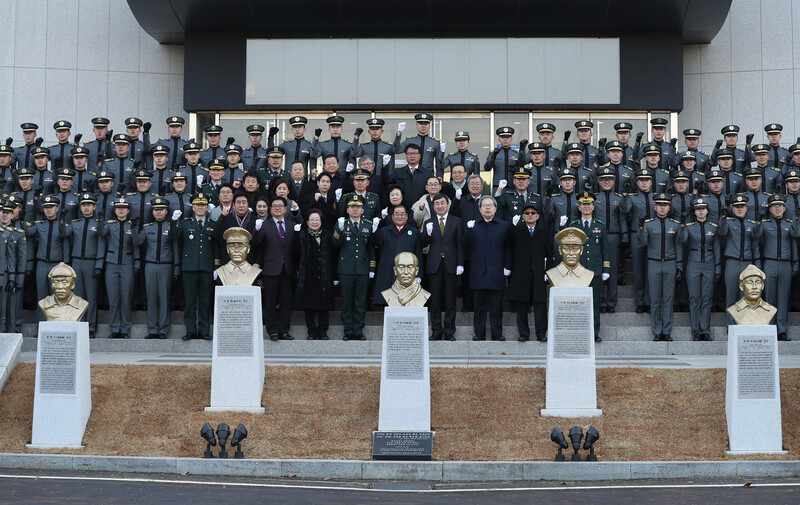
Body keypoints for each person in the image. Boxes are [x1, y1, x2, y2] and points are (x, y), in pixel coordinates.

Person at [463, 195, 512, 341]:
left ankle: (497, 334)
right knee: (479, 306)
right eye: (484, 205)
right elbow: (465, 244)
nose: (488, 208)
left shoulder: (504, 226)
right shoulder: (473, 225)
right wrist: (468, 230)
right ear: (479, 209)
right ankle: (479, 334)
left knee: (497, 306)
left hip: (496, 270)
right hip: (478, 271)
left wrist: (507, 266)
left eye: (491, 205)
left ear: (496, 208)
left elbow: (508, 247)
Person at [253, 196, 298, 341]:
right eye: (274, 206)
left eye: (280, 206)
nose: (277, 208)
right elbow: (257, 242)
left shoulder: (292, 225)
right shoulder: (264, 225)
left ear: (285, 209)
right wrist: (257, 230)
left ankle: (284, 330)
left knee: (286, 301)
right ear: (270, 209)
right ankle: (272, 330)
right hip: (271, 268)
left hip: (288, 268)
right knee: (270, 301)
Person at [638, 193, 682, 342]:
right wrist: (640, 227)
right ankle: (657, 331)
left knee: (668, 299)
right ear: (655, 207)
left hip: (670, 263)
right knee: (655, 299)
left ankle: (667, 331)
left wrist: (679, 266)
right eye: (659, 205)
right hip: (654, 262)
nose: (662, 208)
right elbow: (642, 243)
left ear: (669, 208)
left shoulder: (675, 224)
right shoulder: (649, 224)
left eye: (665, 205)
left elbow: (679, 245)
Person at [134, 197, 179, 339]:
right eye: (156, 210)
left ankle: (163, 329)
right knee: (151, 298)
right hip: (150, 265)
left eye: (161, 210)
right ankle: (152, 329)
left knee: (164, 298)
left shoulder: (171, 226)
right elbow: (137, 242)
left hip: (166, 265)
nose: (158, 213)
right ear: (152, 212)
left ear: (166, 211)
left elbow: (176, 249)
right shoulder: (148, 227)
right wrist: (134, 228)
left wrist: (176, 268)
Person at [332, 195, 375, 340]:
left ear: (363, 210)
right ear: (347, 210)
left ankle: (358, 330)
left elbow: (371, 249)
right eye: (352, 207)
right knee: (347, 301)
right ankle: (348, 330)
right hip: (346, 269)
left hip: (363, 269)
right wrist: (339, 229)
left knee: (361, 301)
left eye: (358, 207)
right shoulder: (342, 223)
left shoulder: (368, 225)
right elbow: (335, 244)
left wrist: (372, 268)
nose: (355, 209)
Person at [506, 201, 551, 342]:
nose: (530, 215)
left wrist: (547, 272)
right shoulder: (517, 231)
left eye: (533, 213)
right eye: (527, 213)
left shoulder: (544, 232)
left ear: (538, 216)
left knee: (540, 304)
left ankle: (541, 333)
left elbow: (550, 253)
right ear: (522, 216)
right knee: (522, 305)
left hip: (538, 273)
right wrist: (512, 226)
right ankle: (523, 333)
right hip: (521, 274)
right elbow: (507, 243)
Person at [568, 192, 610, 342]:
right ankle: (577, 332)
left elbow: (605, 249)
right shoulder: (573, 226)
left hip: (595, 271)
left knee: (594, 302)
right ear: (579, 207)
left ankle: (594, 332)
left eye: (589, 204)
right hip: (578, 271)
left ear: (593, 207)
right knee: (577, 302)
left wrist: (606, 269)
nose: (586, 207)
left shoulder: (600, 226)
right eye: (583, 204)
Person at [677, 198, 721, 341]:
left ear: (707, 211)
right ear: (694, 211)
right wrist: (682, 225)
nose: (701, 211)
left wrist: (718, 268)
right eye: (698, 209)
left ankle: (705, 330)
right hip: (693, 263)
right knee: (694, 298)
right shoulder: (689, 226)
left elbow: (717, 248)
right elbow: (682, 240)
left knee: (707, 299)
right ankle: (695, 330)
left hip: (709, 263)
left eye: (703, 208)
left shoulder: (713, 226)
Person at [421, 194, 462, 341]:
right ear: (433, 206)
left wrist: (460, 263)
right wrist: (427, 234)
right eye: (436, 204)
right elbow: (422, 244)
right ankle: (436, 330)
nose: (440, 206)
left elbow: (460, 245)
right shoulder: (429, 222)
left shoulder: (457, 221)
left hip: (451, 265)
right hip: (434, 265)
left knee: (451, 300)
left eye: (442, 203)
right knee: (435, 300)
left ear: (448, 204)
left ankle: (450, 331)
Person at [758, 194, 799, 341]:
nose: (777, 208)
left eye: (780, 206)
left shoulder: (789, 224)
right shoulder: (765, 224)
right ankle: (770, 328)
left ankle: (782, 330)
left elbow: (794, 242)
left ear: (784, 208)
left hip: (786, 264)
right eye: (774, 206)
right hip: (770, 263)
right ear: (770, 209)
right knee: (769, 298)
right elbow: (757, 239)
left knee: (783, 297)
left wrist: (795, 263)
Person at [63, 192, 104, 337]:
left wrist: (99, 264)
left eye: (89, 205)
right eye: (84, 205)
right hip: (76, 262)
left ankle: (91, 327)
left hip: (91, 262)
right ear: (80, 208)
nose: (86, 208)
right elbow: (65, 235)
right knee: (77, 297)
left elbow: (101, 243)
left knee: (91, 296)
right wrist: (62, 221)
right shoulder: (75, 223)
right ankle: (79, 324)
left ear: (94, 207)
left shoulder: (98, 223)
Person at [176, 192, 215, 341]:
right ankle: (190, 330)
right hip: (189, 267)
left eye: (203, 205)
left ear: (207, 207)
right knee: (190, 301)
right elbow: (174, 237)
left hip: (206, 267)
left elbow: (216, 246)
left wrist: (216, 265)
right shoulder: (186, 223)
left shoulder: (212, 224)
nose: (200, 207)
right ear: (193, 207)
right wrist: (174, 222)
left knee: (205, 301)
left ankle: (204, 330)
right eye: (198, 205)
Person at [98, 197, 139, 339]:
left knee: (126, 298)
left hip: (127, 263)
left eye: (124, 208)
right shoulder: (110, 224)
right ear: (115, 210)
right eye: (118, 208)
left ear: (128, 210)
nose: (121, 210)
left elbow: (136, 246)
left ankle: (125, 328)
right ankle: (115, 328)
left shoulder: (132, 224)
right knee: (113, 298)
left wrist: (137, 263)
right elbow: (101, 233)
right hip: (111, 263)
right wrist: (101, 221)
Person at [718, 195, 762, 325]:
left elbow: (756, 240)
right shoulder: (729, 222)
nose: (739, 209)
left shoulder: (751, 223)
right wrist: (723, 218)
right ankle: (730, 325)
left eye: (742, 206)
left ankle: (744, 324)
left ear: (746, 208)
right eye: (736, 207)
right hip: (732, 262)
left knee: (746, 296)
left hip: (747, 263)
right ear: (732, 208)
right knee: (731, 296)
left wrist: (759, 223)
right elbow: (722, 232)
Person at [295, 208, 335, 340]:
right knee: (309, 304)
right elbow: (295, 253)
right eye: (311, 219)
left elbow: (332, 255)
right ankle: (311, 331)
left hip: (324, 273)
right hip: (308, 274)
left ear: (321, 221)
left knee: (324, 304)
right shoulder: (302, 235)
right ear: (307, 222)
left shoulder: (327, 235)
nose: (314, 222)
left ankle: (323, 331)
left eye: (317, 219)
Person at [372, 202, 422, 305]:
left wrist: (419, 275)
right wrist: (374, 230)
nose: (400, 216)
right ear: (392, 216)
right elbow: (375, 243)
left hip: (407, 273)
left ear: (407, 216)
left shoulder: (414, 232)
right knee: (388, 301)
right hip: (387, 271)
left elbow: (418, 254)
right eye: (397, 214)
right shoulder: (384, 231)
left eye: (402, 214)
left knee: (406, 302)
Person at [594, 167, 627, 313]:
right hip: (598, 236)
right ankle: (601, 301)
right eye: (603, 179)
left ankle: (612, 301)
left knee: (612, 269)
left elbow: (623, 218)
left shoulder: (619, 198)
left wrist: (624, 235)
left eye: (609, 179)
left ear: (613, 181)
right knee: (599, 268)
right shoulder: (594, 197)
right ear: (599, 181)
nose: (606, 182)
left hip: (614, 235)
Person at [625, 168, 655, 313]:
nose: (644, 183)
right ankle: (640, 301)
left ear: (651, 182)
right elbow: (625, 210)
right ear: (637, 183)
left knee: (650, 270)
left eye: (647, 180)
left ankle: (649, 300)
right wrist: (625, 197)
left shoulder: (657, 197)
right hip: (636, 235)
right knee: (638, 270)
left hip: (654, 236)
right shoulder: (632, 197)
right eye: (642, 181)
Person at [352, 118, 394, 183]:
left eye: (377, 129)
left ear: (382, 131)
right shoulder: (364, 147)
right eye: (372, 129)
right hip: (367, 178)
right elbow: (355, 154)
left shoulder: (388, 147)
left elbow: (391, 166)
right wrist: (356, 138)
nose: (375, 131)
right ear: (369, 131)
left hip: (384, 179)